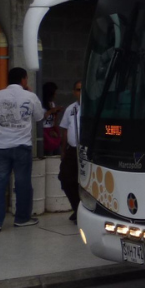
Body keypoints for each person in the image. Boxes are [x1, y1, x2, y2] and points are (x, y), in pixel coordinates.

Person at [0, 67, 44, 232]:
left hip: (0, 147)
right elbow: (39, 117)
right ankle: (22, 218)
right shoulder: (30, 97)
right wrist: (31, 93)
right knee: (23, 183)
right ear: (24, 80)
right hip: (22, 148)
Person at [59, 81, 82, 223]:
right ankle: (77, 208)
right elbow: (65, 130)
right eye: (78, 90)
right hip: (72, 150)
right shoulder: (70, 109)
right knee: (65, 178)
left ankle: (84, 212)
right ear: (74, 92)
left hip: (87, 152)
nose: (81, 93)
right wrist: (63, 150)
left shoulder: (93, 107)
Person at [41, 81, 63, 156]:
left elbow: (54, 120)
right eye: (54, 93)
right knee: (48, 152)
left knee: (57, 151)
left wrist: (56, 112)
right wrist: (50, 111)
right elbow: (39, 118)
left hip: (51, 129)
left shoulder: (52, 103)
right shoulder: (41, 105)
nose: (55, 95)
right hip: (44, 130)